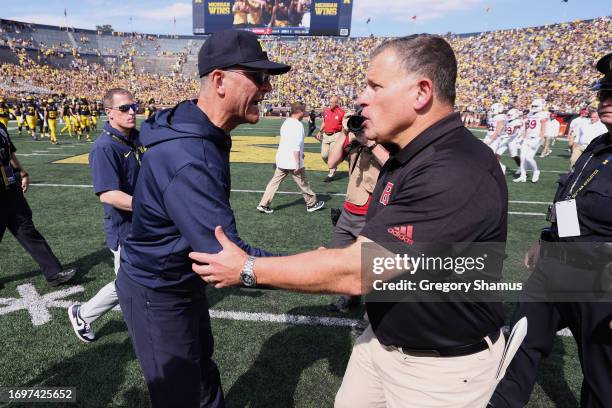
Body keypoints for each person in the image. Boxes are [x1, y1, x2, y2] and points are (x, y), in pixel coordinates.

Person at [191, 34, 508, 408]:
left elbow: (361, 270)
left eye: (375, 86)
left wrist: (248, 269)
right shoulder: (410, 154)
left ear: (421, 93)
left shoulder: (454, 168)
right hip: (383, 337)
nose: (363, 97)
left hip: (438, 368)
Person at [116, 29, 290, 407]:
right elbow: (227, 254)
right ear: (219, 80)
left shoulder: (196, 128)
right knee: (184, 397)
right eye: (259, 78)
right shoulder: (190, 154)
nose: (267, 89)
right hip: (158, 290)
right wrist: (318, 267)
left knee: (201, 377)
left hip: (177, 280)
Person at [489, 52, 612, 408]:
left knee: (603, 376)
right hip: (555, 267)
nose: (604, 100)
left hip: (602, 281)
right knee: (520, 348)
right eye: (604, 92)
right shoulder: (599, 144)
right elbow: (572, 197)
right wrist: (548, 238)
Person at [68, 88, 141, 343]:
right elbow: (108, 195)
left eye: (134, 106)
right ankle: (83, 314)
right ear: (109, 113)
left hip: (144, 225)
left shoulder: (134, 137)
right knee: (127, 284)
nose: (132, 112)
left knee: (139, 280)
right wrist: (152, 207)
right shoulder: (104, 147)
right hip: (126, 230)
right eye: (125, 108)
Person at [325, 110, 389, 328]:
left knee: (371, 269)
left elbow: (394, 166)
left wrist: (370, 143)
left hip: (373, 214)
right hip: (349, 210)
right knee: (342, 260)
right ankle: (348, 298)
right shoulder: (352, 141)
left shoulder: (386, 141)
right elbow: (331, 162)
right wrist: (345, 132)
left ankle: (370, 316)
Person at [0, 121, 77, 287]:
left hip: (11, 189)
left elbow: (10, 153)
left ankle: (54, 273)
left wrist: (23, 172)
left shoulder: (1, 126)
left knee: (27, 230)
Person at [257, 102, 324, 214]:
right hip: (292, 161)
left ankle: (263, 204)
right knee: (303, 183)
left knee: (274, 183)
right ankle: (311, 204)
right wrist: (298, 163)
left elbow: (286, 143)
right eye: (305, 111)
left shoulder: (286, 122)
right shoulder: (297, 125)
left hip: (282, 159)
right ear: (300, 112)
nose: (306, 113)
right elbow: (295, 146)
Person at [513, 98, 547, 183]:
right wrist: (523, 136)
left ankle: (536, 171)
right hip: (527, 138)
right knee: (522, 157)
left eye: (536, 106)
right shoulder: (530, 114)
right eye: (533, 106)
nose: (534, 107)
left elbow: (543, 128)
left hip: (535, 138)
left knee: (529, 158)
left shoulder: (543, 114)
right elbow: (526, 126)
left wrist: (541, 138)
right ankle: (523, 176)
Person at [315, 96, 345, 182]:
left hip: (336, 135)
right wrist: (319, 131)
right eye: (330, 102)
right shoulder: (326, 111)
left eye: (332, 102)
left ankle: (331, 173)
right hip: (326, 135)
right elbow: (324, 121)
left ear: (336, 103)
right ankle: (333, 166)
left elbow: (344, 126)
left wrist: (342, 136)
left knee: (332, 155)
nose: (330, 104)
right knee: (324, 155)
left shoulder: (341, 112)